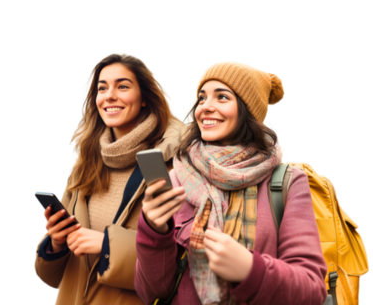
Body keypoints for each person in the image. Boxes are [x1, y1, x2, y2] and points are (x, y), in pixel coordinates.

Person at [134, 61, 327, 304]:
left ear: (248, 110)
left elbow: (311, 289)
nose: (205, 107)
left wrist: (250, 269)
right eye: (202, 98)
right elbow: (151, 291)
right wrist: (153, 230)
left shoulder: (287, 182)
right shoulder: (177, 178)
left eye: (222, 97)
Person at [33, 52, 185, 305]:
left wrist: (107, 245)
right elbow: (53, 278)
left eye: (122, 86)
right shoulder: (83, 165)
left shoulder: (170, 164)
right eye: (102, 88)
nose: (109, 95)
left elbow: (173, 266)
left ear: (145, 98)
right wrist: (57, 243)